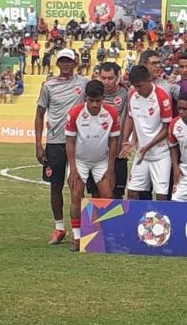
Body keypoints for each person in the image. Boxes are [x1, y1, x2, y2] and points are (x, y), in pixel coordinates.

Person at [34, 48, 89, 245]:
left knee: (77, 185)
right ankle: (59, 228)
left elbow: (101, 92)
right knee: (55, 186)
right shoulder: (48, 86)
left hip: (78, 141)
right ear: (57, 63)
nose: (65, 64)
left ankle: (81, 230)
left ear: (75, 63)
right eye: (62, 61)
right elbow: (39, 114)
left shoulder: (84, 83)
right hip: (55, 142)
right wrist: (38, 144)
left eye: (69, 61)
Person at [64, 80, 120, 251]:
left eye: (98, 100)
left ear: (103, 98)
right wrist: (73, 169)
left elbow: (114, 141)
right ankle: (77, 238)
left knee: (107, 195)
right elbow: (70, 142)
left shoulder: (111, 113)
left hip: (101, 161)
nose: (95, 104)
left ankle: (106, 234)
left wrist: (111, 169)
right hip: (79, 161)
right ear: (85, 99)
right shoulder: (75, 113)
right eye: (91, 100)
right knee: (76, 195)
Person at [119, 66, 173, 201]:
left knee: (161, 196)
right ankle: (134, 216)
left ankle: (160, 216)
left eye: (139, 86)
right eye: (134, 86)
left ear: (149, 80)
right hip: (141, 154)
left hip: (160, 155)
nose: (137, 89)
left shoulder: (162, 97)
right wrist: (132, 141)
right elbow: (136, 121)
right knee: (132, 193)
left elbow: (166, 129)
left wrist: (147, 146)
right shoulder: (132, 95)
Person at [97, 62, 130, 199]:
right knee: (96, 194)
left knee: (117, 195)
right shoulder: (93, 94)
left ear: (118, 77)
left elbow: (129, 117)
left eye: (110, 78)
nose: (106, 82)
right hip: (97, 153)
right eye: (103, 78)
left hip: (117, 153)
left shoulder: (126, 93)